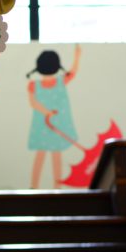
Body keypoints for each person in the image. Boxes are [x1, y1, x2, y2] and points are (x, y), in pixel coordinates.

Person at [26, 45, 81, 189]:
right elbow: (33, 103)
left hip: (56, 126)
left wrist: (77, 56)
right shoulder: (34, 85)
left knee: (55, 156)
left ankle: (57, 188)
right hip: (43, 125)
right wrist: (46, 112)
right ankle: (34, 187)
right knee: (42, 155)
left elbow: (73, 72)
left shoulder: (59, 82)